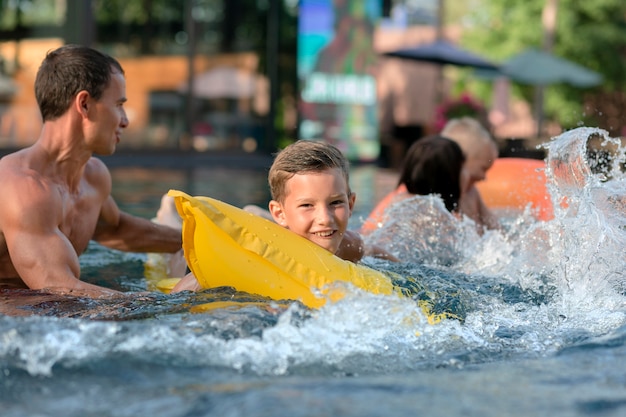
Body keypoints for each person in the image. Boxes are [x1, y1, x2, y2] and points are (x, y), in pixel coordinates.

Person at [0, 44, 182, 298]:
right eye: (118, 105)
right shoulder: (21, 187)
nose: (125, 120)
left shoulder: (93, 176)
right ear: (84, 104)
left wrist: (193, 240)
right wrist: (173, 300)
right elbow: (56, 288)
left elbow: (115, 229)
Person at [170, 140, 396, 293]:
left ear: (351, 204)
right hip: (186, 263)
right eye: (307, 205)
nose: (325, 219)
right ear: (279, 213)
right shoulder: (260, 255)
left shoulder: (347, 245)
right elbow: (191, 284)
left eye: (336, 203)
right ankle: (169, 213)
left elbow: (375, 253)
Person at [360, 135, 467, 234]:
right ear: (450, 175)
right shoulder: (438, 216)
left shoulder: (399, 199)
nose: (467, 173)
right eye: (463, 168)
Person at [440, 117, 500, 231]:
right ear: (459, 162)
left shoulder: (472, 193)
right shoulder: (437, 198)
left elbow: (497, 229)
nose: (483, 177)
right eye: (483, 169)